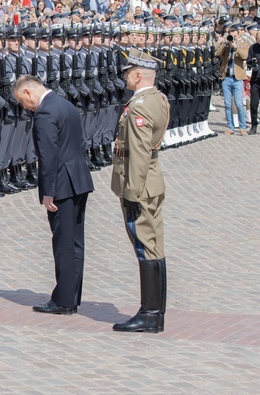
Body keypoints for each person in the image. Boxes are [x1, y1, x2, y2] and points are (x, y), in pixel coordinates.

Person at [13, 75, 94, 316]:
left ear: (28, 92)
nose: (25, 108)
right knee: (75, 242)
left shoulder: (45, 113)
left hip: (62, 184)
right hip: (79, 179)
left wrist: (48, 192)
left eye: (22, 102)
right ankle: (71, 295)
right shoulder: (64, 104)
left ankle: (64, 301)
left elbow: (49, 156)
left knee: (63, 244)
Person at [110, 48, 169, 334]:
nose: (124, 79)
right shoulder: (158, 98)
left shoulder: (139, 107)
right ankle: (156, 313)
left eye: (126, 74)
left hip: (140, 185)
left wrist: (131, 193)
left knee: (145, 247)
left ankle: (149, 313)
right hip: (152, 182)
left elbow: (140, 152)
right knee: (154, 246)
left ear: (137, 75)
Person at [216, 24, 249, 135]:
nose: (233, 38)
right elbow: (217, 54)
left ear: (238, 35)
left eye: (234, 36)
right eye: (231, 36)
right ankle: (230, 127)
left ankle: (242, 127)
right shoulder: (226, 45)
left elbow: (244, 56)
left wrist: (235, 47)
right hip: (226, 77)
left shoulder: (243, 44)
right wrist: (225, 43)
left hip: (237, 78)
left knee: (239, 104)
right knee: (227, 104)